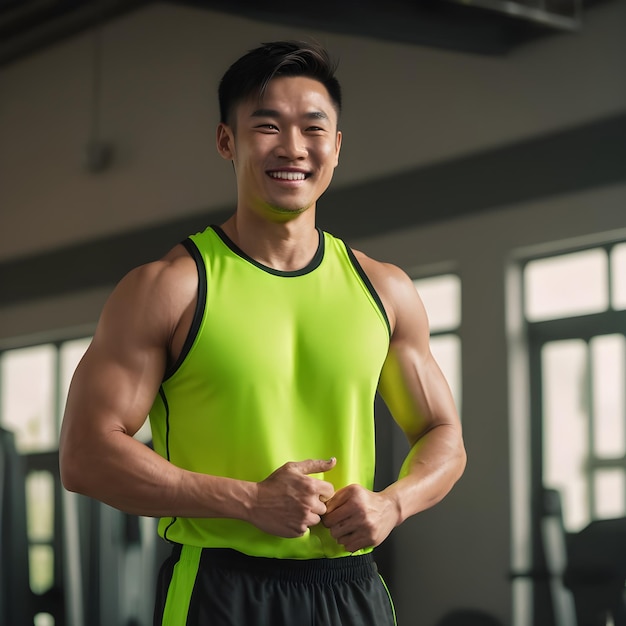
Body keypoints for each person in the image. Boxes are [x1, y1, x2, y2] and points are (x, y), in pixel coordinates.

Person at [59, 40, 466, 626]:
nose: (293, 148)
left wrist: (394, 504)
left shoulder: (385, 290)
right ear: (228, 141)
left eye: (313, 128)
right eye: (268, 126)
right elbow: (86, 455)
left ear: (337, 146)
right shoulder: (170, 288)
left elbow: (443, 433)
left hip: (352, 588)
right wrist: (248, 501)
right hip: (221, 589)